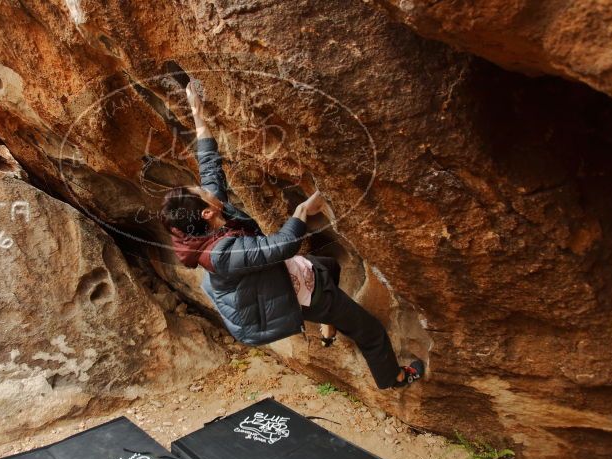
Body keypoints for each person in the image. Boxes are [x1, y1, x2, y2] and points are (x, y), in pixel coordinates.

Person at [162, 82, 424, 389]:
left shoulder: (198, 224)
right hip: (299, 293)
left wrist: (198, 114)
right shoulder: (224, 253)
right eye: (202, 193)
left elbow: (209, 167)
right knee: (372, 332)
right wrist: (303, 211)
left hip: (280, 276)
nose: (206, 187)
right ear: (207, 212)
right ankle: (395, 378)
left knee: (329, 265)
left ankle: (329, 329)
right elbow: (282, 246)